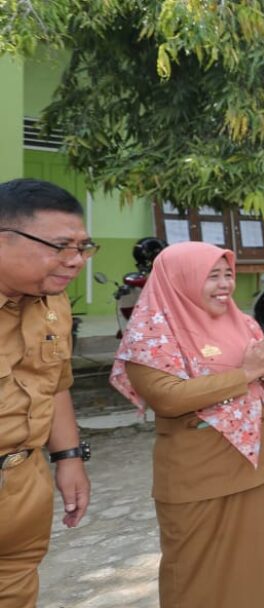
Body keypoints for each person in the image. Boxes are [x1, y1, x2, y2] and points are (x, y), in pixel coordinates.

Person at [111, 241, 264, 607]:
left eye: (228, 274)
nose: (225, 285)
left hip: (252, 465)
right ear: (181, 279)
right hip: (200, 474)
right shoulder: (151, 333)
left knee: (252, 567)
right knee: (196, 574)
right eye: (212, 276)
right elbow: (168, 398)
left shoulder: (240, 321)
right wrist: (246, 373)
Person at [0, 178, 92, 608]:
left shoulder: (54, 303)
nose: (75, 261)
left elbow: (55, 383)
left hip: (24, 482)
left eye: (83, 247)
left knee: (17, 587)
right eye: (59, 246)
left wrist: (69, 458)